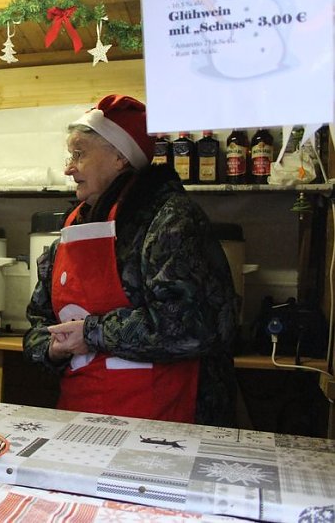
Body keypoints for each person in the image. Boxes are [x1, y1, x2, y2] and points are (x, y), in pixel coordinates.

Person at [23, 95, 237, 427]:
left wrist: (91, 333)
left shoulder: (170, 219)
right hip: (80, 420)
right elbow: (38, 322)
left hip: (165, 425)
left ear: (120, 157)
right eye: (70, 155)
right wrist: (50, 349)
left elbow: (194, 325)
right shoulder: (71, 227)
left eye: (79, 154)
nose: (68, 167)